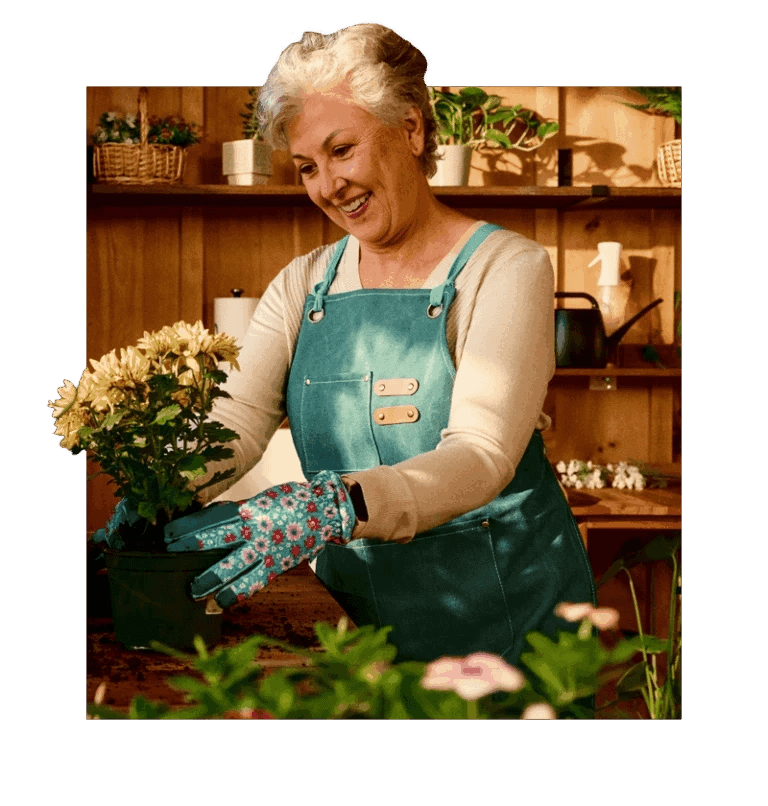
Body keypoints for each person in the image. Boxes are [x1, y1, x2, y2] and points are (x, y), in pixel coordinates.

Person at [163, 22, 597, 671]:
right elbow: (237, 420)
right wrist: (157, 487)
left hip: (509, 629)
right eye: (308, 166)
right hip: (356, 626)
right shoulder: (300, 285)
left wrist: (339, 504)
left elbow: (482, 453)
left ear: (412, 129)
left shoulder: (504, 268)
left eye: (343, 150)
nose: (328, 185)